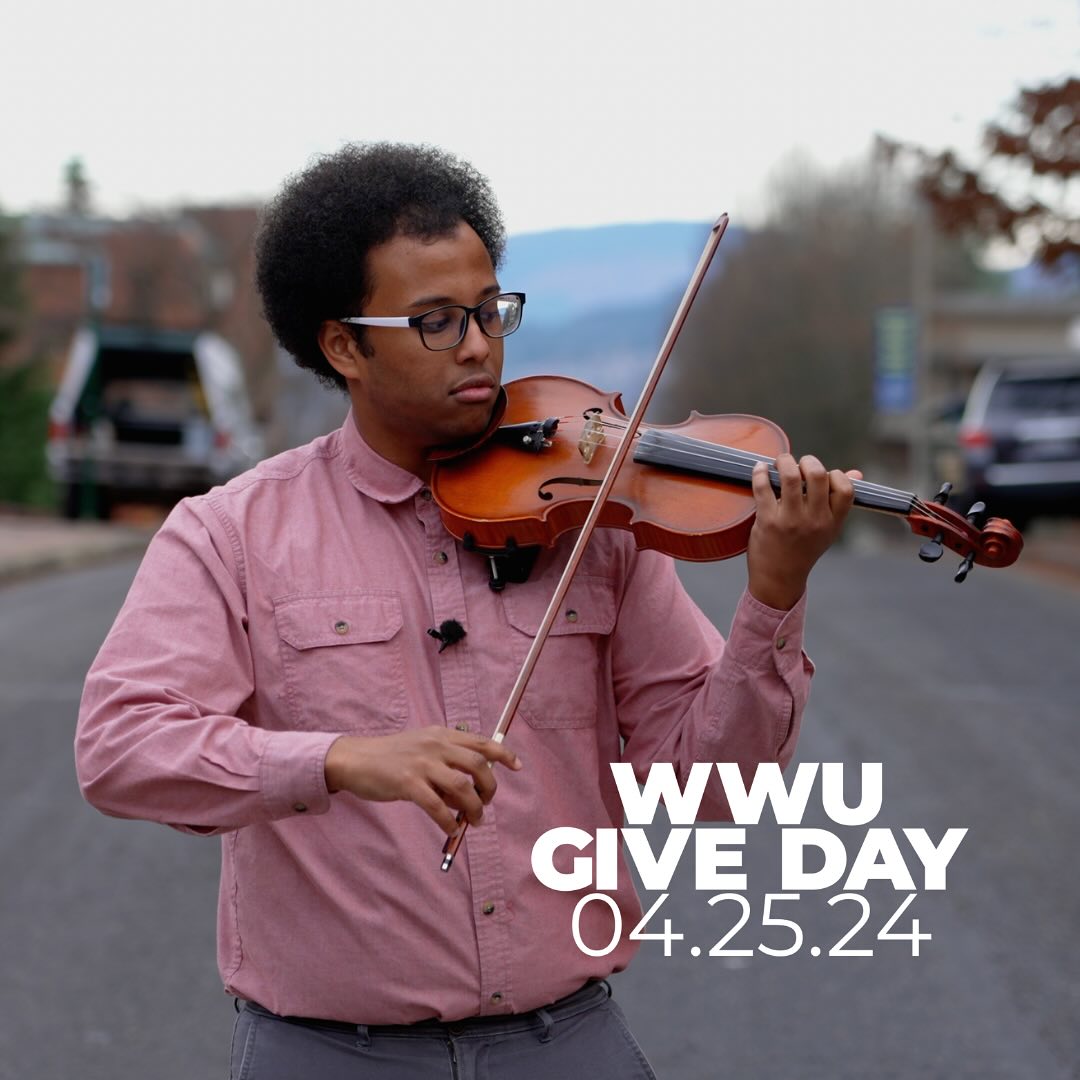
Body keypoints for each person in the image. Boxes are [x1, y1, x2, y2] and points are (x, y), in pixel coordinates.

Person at [76, 142, 857, 1079]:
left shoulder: (592, 518)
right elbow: (122, 746)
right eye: (437, 322)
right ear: (343, 345)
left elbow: (713, 790)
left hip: (565, 1038)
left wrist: (773, 593)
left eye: (490, 310)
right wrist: (340, 759)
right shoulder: (233, 533)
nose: (481, 343)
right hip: (327, 1052)